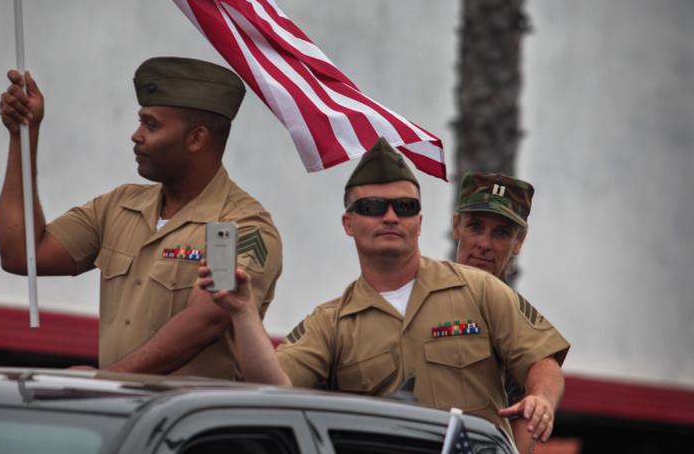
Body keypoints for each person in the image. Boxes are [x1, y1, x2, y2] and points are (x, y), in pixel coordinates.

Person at [199, 138, 569, 447]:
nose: (390, 216)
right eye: (373, 207)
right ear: (349, 223)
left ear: (419, 222)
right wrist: (243, 312)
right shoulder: (332, 323)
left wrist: (541, 400)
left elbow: (542, 361)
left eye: (405, 207)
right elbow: (272, 392)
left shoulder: (481, 290)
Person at [0, 57, 282, 378]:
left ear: (196, 139)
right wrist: (23, 135)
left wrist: (107, 381)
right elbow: (22, 254)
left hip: (193, 422)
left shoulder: (238, 226)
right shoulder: (119, 206)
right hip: (123, 416)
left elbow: (206, 320)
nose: (136, 135)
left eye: (152, 124)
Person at [452, 171, 542, 453]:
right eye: (475, 226)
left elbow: (524, 427)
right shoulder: (412, 295)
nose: (485, 244)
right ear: (457, 225)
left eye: (501, 233)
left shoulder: (519, 328)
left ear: (519, 241)